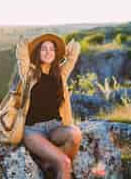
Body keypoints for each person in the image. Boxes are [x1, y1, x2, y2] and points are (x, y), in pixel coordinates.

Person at [15, 33, 81, 179]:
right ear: (38, 52)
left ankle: (49, 164)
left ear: (56, 53)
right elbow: (23, 60)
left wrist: (73, 51)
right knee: (65, 162)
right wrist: (23, 47)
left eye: (52, 49)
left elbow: (71, 60)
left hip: (55, 127)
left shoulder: (60, 74)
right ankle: (59, 164)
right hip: (33, 131)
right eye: (44, 49)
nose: (48, 52)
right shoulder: (30, 74)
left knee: (75, 134)